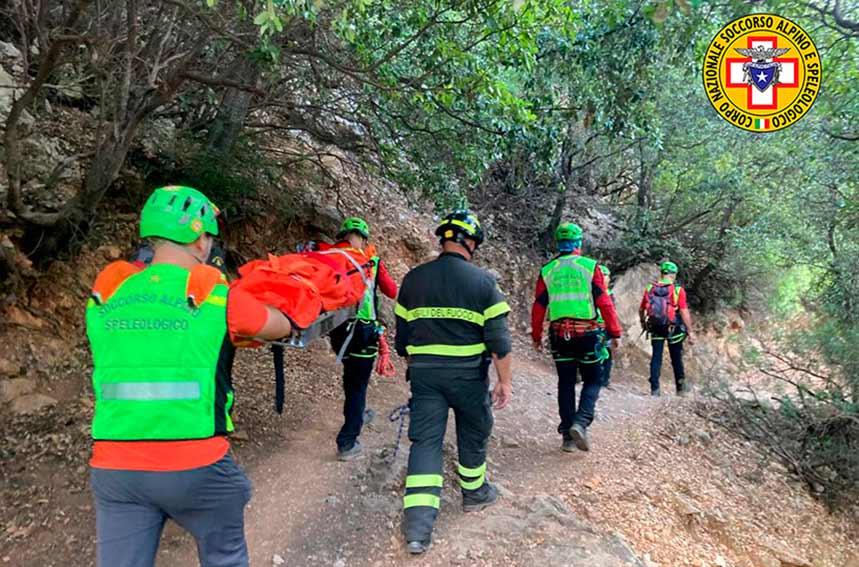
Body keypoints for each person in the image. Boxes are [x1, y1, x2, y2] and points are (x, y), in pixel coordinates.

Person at [86, 185, 293, 567]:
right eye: (209, 237)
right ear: (200, 240)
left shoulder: (106, 293)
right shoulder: (213, 293)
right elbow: (277, 325)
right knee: (224, 557)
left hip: (115, 468)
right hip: (197, 465)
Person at [394, 209, 513, 555]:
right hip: (468, 377)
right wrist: (504, 383)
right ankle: (474, 493)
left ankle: (417, 528)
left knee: (425, 443)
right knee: (473, 432)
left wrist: (421, 366)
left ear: (443, 239)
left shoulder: (413, 280)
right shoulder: (483, 283)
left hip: (426, 377)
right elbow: (500, 344)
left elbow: (403, 341)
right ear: (471, 242)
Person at [531, 223, 622, 453]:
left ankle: (567, 438)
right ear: (579, 243)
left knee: (566, 382)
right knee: (594, 379)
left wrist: (536, 335)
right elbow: (604, 303)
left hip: (559, 334)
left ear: (558, 244)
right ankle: (581, 422)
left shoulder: (548, 270)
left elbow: (539, 306)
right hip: (587, 333)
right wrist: (615, 332)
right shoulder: (590, 267)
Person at [327, 217, 398, 460]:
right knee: (358, 384)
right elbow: (392, 291)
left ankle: (357, 413)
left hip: (337, 332)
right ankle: (347, 441)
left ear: (342, 235)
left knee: (352, 376)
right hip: (363, 332)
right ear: (363, 238)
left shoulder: (329, 257)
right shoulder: (371, 260)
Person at [639, 261, 697, 396]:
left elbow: (641, 309)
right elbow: (684, 311)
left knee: (656, 357)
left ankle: (655, 389)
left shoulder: (650, 288)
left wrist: (643, 322)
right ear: (674, 274)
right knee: (676, 357)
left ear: (661, 273)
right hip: (673, 328)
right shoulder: (677, 290)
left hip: (655, 326)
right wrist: (690, 331)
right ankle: (681, 389)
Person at [597, 264, 616, 389]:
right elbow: (611, 313)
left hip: (590, 325)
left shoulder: (590, 291)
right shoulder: (609, 294)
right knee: (607, 351)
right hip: (604, 326)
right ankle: (604, 380)